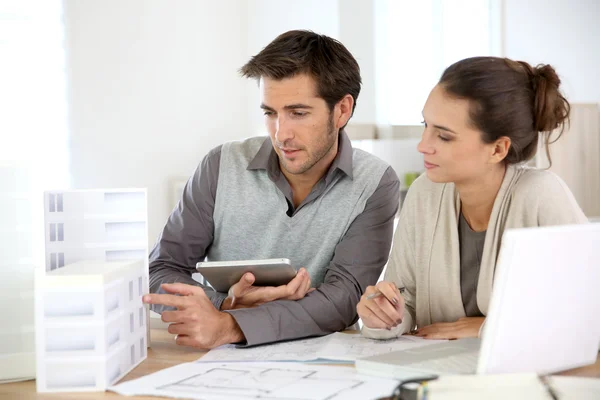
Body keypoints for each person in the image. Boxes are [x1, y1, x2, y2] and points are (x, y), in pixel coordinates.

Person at [143, 30, 400, 349]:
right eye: (270, 113)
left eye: (298, 113)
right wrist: (223, 305)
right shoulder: (220, 165)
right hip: (217, 363)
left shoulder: (376, 183)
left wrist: (232, 325)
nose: (281, 134)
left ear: (342, 110)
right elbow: (160, 269)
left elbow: (343, 299)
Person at [358, 56, 588, 340]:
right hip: (435, 372)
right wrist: (381, 315)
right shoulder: (423, 194)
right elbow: (406, 304)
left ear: (497, 149)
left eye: (443, 136)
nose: (422, 145)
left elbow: (587, 314)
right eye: (425, 125)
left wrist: (486, 328)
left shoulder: (542, 196)